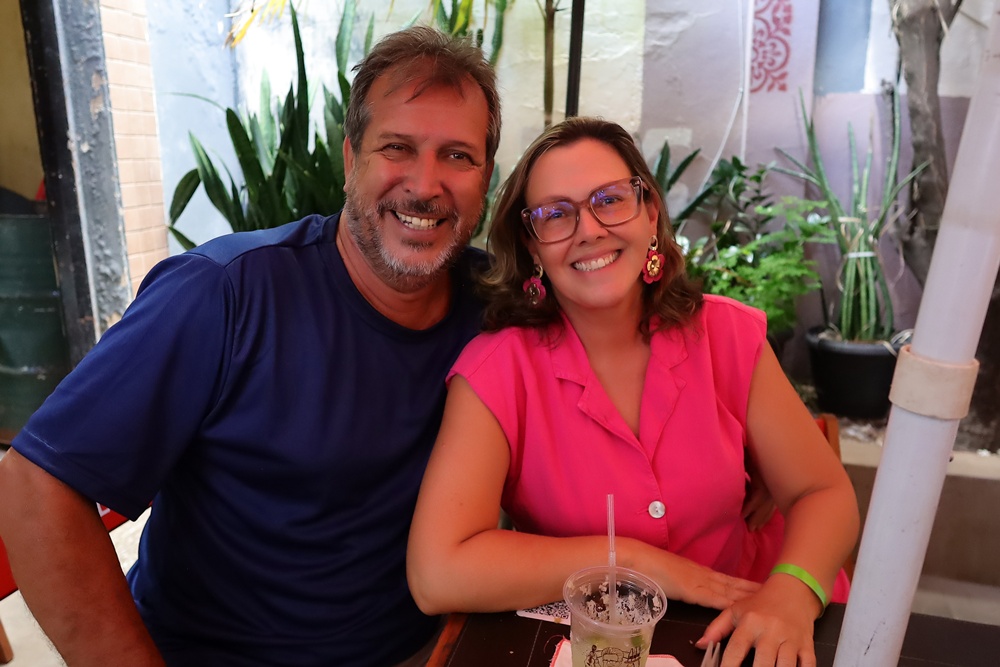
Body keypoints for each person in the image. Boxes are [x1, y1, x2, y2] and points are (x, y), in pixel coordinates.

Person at [0, 26, 499, 667]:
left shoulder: (497, 306)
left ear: (487, 176)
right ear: (351, 160)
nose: (426, 184)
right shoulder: (224, 293)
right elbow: (35, 485)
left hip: (423, 648)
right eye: (397, 147)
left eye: (457, 155)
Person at [406, 117, 859, 667]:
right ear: (532, 247)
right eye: (556, 214)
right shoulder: (496, 373)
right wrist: (632, 561)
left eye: (610, 200)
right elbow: (437, 573)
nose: (589, 229)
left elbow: (823, 493)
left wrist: (792, 591)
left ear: (651, 214)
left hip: (752, 623)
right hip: (598, 642)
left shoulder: (726, 335)